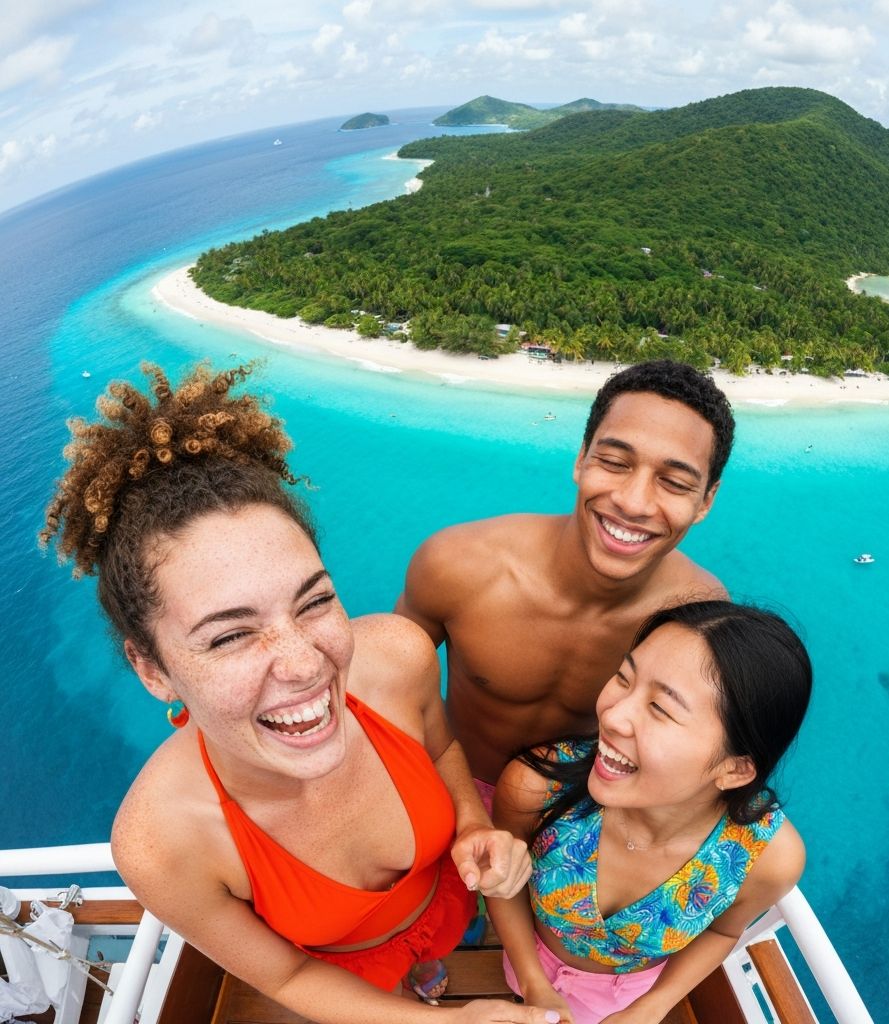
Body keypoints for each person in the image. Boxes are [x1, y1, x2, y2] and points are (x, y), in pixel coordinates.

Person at [40, 362, 560, 1024]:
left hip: (446, 907)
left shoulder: (398, 656)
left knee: (437, 957)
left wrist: (471, 821)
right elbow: (287, 972)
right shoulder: (160, 845)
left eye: (313, 602)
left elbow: (442, 746)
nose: (303, 663)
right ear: (152, 670)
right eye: (229, 637)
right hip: (346, 973)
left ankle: (426, 971)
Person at [395, 361, 735, 804]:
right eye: (613, 462)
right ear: (581, 459)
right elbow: (392, 689)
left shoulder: (698, 612)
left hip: (582, 816)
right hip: (449, 792)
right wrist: (464, 811)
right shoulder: (458, 565)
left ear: (706, 500)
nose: (633, 503)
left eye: (673, 482)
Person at [488, 601, 812, 1024]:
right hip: (527, 961)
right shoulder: (536, 786)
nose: (612, 714)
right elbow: (507, 888)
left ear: (733, 769)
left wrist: (650, 1008)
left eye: (660, 709)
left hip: (627, 999)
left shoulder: (766, 859)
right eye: (624, 678)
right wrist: (533, 982)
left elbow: (723, 930)